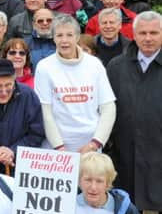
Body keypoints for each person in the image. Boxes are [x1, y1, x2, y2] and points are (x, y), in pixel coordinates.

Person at [107, 11, 162, 214]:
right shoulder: (116, 66)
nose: (148, 38)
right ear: (134, 34)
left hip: (159, 153)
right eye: (143, 33)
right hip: (126, 155)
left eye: (154, 33)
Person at [34, 15, 116, 152]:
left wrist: (95, 143)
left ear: (77, 37)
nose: (64, 40)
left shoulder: (94, 64)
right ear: (53, 38)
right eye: (59, 35)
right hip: (57, 147)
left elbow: (108, 107)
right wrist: (59, 147)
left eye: (69, 35)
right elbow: (45, 111)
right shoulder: (44, 67)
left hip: (91, 146)